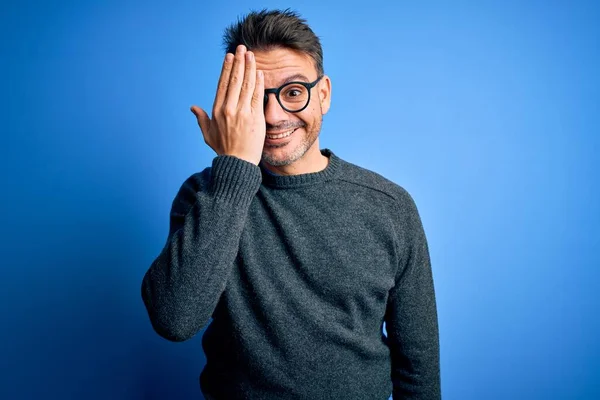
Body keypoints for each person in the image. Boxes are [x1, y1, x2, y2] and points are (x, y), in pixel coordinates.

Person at [141, 8, 440, 400]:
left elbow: (418, 369)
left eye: (293, 92)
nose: (274, 115)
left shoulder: (390, 207)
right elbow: (174, 319)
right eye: (253, 100)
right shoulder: (205, 196)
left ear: (324, 94)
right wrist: (234, 169)